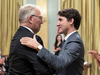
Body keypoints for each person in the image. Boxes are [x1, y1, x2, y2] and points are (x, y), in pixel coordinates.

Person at [20, 8, 84, 75]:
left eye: (60, 20)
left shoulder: (75, 41)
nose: (57, 24)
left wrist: (37, 46)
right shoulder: (68, 40)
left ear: (71, 21)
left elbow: (60, 63)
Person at [8, 4, 53, 75]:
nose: (42, 22)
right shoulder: (32, 39)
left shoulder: (16, 36)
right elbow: (43, 71)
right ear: (30, 19)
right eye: (40, 18)